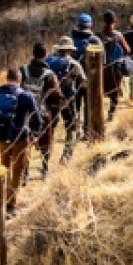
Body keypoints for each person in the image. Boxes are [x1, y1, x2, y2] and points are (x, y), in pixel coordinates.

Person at [0, 68, 41, 217]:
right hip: (20, 138)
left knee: (5, 166)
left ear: (7, 78)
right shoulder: (26, 96)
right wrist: (35, 134)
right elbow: (37, 118)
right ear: (20, 79)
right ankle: (11, 204)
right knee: (18, 171)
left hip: (2, 137)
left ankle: (1, 196)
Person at [41, 37, 87, 169]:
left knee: (50, 129)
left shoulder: (48, 61)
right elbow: (84, 82)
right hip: (67, 100)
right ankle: (66, 155)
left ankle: (45, 160)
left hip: (50, 100)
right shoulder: (74, 63)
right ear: (69, 50)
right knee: (70, 128)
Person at [96, 11, 132, 120]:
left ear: (104, 21)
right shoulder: (118, 35)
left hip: (101, 69)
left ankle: (98, 115)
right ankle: (111, 115)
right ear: (114, 21)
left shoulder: (98, 35)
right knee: (114, 95)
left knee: (99, 93)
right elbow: (127, 50)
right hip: (115, 69)